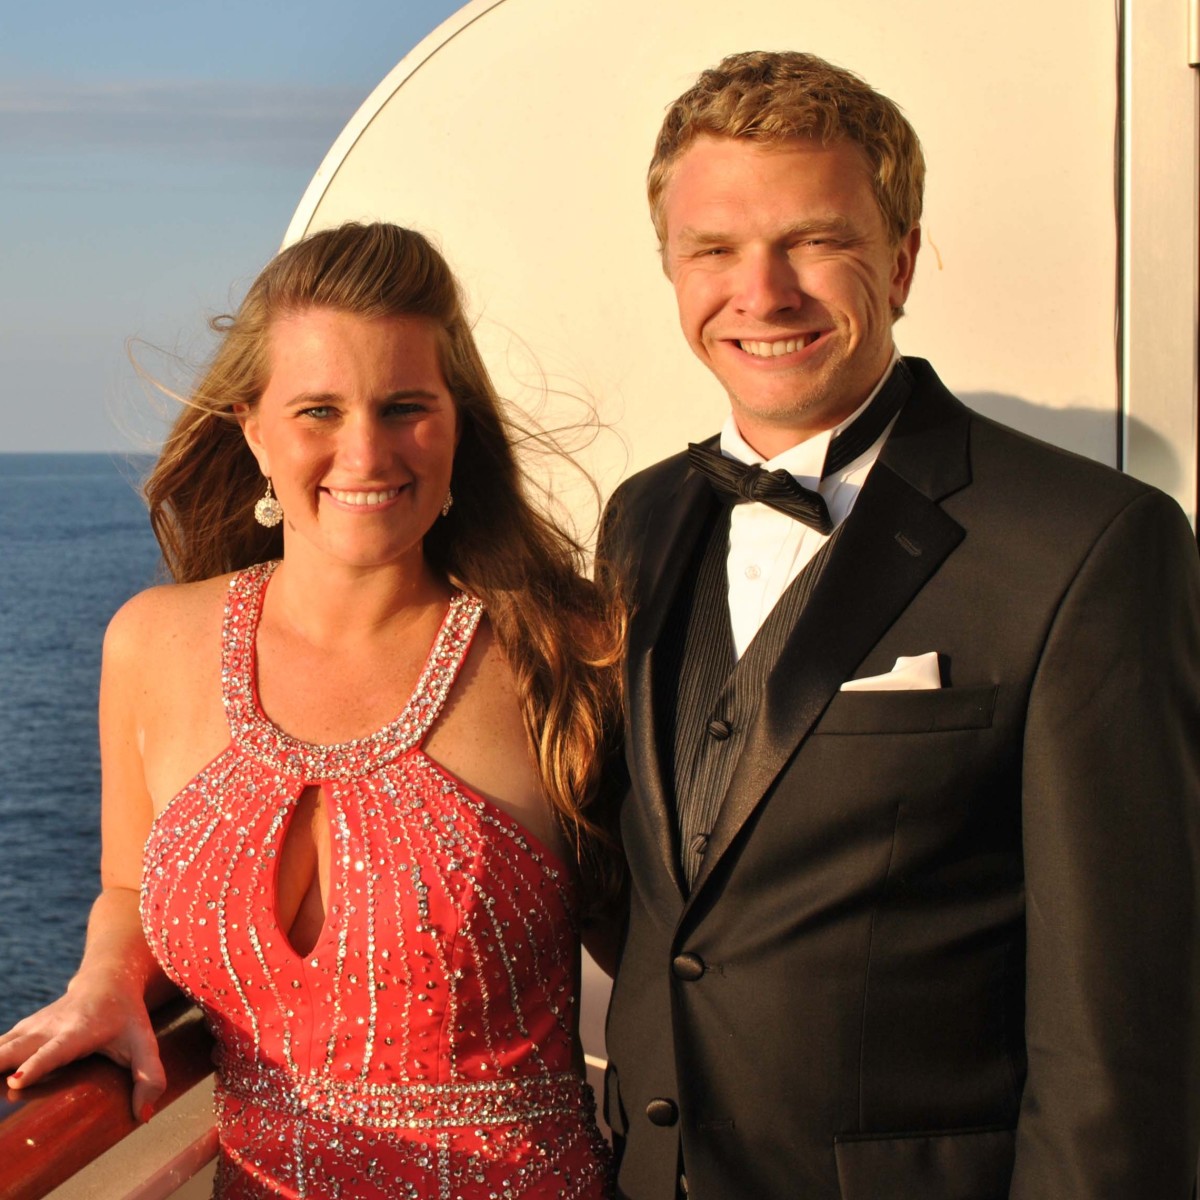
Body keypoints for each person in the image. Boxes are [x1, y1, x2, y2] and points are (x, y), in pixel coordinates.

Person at [597, 50, 1200, 1199]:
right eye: (714, 249)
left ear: (903, 259)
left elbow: (1122, 1029)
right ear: (670, 264)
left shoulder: (1087, 543)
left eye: (814, 241)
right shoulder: (642, 519)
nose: (762, 292)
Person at [0, 222, 622, 1199]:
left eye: (406, 407)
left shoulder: (564, 652)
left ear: (458, 424)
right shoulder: (151, 643)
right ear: (252, 427)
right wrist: (103, 982)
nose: (365, 451)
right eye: (319, 410)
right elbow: (128, 887)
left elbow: (673, 955)